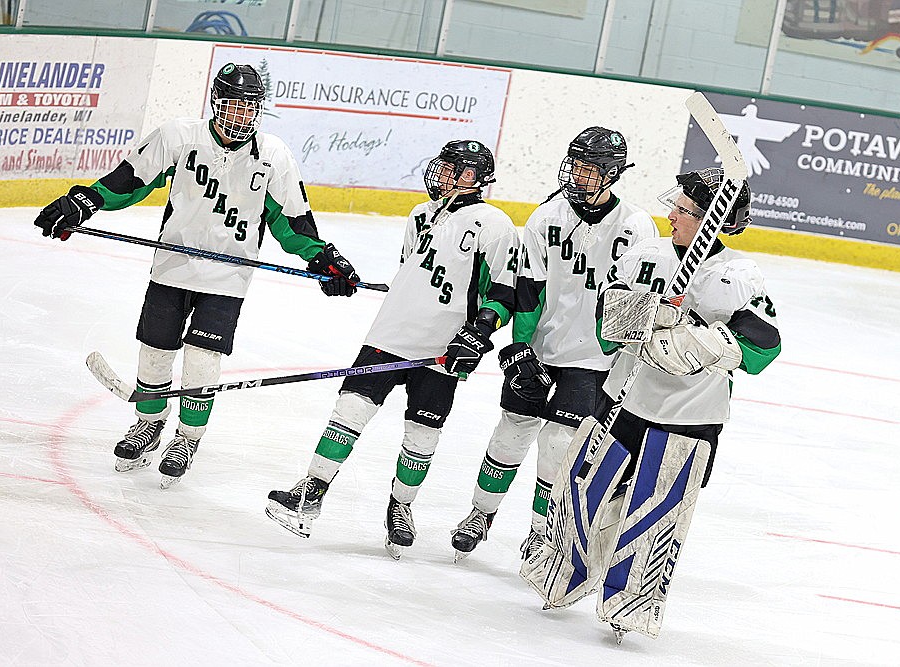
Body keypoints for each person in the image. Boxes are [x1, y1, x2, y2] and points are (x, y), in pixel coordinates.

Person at [32, 63, 360, 488]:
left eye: (250, 109)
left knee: (203, 362)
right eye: (233, 106)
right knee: (155, 351)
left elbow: (291, 221)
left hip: (226, 279)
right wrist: (84, 201)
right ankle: (148, 424)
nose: (241, 117)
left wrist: (323, 258)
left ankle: (187, 438)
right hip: (172, 268)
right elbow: (131, 179)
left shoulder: (274, 156)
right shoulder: (180, 136)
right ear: (216, 104)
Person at [521, 167, 781, 641]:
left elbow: (763, 350)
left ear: (712, 220)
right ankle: (559, 574)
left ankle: (632, 605)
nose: (672, 214)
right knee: (582, 492)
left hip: (689, 418)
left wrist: (702, 342)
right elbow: (605, 328)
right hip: (621, 400)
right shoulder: (646, 255)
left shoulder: (737, 275)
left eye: (684, 210)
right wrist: (647, 316)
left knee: (655, 515)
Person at [266, 139, 519, 559]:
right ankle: (311, 489)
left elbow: (503, 294)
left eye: (456, 169)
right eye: (444, 165)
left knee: (422, 434)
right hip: (388, 335)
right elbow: (411, 273)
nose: (444, 174)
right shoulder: (419, 214)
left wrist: (476, 334)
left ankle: (401, 507)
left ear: (476, 178)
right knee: (349, 411)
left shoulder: (495, 225)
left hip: (442, 348)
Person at [448, 127, 659, 562]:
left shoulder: (637, 226)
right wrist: (520, 347)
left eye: (587, 168)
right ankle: (479, 514)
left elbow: (632, 305)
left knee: (559, 447)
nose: (576, 175)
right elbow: (528, 289)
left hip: (592, 360)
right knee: (511, 430)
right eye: (574, 164)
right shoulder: (548, 216)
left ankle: (541, 534)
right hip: (541, 348)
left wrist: (614, 357)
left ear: (612, 172)